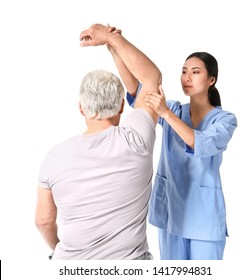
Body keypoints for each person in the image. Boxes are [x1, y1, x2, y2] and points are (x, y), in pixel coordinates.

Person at [35, 23, 162, 260]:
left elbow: (43, 221)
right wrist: (112, 41)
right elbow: (151, 77)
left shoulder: (55, 156)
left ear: (81, 108)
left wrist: (60, 252)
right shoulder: (136, 140)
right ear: (122, 106)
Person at [108, 47, 238, 260]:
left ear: (211, 80)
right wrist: (116, 52)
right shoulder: (176, 110)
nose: (187, 77)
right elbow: (137, 94)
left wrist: (165, 114)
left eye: (195, 72)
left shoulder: (224, 120)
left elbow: (201, 143)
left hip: (203, 219)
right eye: (184, 71)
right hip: (171, 212)